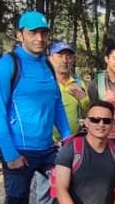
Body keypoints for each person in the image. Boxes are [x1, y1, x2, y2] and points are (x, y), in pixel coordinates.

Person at [0, 10, 71, 204]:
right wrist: (10, 153)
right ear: (20, 35)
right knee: (17, 200)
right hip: (19, 149)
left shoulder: (47, 65)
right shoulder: (8, 64)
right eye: (33, 32)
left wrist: (68, 138)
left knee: (65, 190)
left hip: (47, 149)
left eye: (43, 32)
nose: (39, 38)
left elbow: (57, 103)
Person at [35, 42, 91, 204]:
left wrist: (84, 100)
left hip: (72, 144)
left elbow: (89, 114)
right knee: (46, 191)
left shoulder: (78, 83)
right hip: (48, 145)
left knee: (73, 188)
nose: (65, 60)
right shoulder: (44, 82)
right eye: (60, 56)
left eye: (69, 56)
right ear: (51, 58)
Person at [53, 100, 115, 204]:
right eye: (95, 120)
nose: (101, 124)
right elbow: (61, 189)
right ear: (86, 122)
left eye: (106, 121)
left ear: (112, 124)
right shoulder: (71, 149)